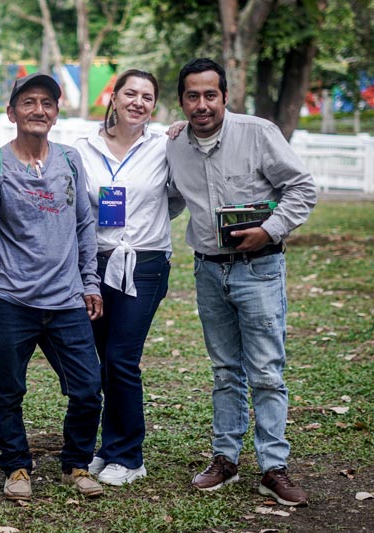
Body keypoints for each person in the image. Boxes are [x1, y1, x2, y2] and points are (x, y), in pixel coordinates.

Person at [167, 58, 316, 506]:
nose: (201, 104)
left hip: (259, 269)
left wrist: (269, 230)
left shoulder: (258, 133)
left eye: (210, 94)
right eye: (192, 95)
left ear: (225, 96)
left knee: (267, 372)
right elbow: (169, 199)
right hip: (208, 270)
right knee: (225, 371)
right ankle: (225, 459)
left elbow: (303, 188)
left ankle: (274, 467)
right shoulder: (173, 145)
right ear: (182, 101)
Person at [0, 72, 104, 501]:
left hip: (66, 299)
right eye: (28, 102)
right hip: (12, 298)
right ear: (12, 113)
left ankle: (77, 464)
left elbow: (83, 222)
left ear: (56, 113)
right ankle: (17, 467)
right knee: (9, 389)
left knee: (87, 388)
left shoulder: (69, 159)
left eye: (46, 102)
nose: (38, 110)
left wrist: (90, 282)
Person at [71, 69, 178, 487]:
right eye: (129, 93)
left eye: (147, 96)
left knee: (121, 358)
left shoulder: (167, 145)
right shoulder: (83, 148)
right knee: (103, 361)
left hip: (145, 264)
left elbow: (178, 196)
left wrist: (146, 228)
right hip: (95, 264)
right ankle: (108, 448)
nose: (137, 102)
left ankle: (129, 456)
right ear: (112, 98)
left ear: (154, 104)